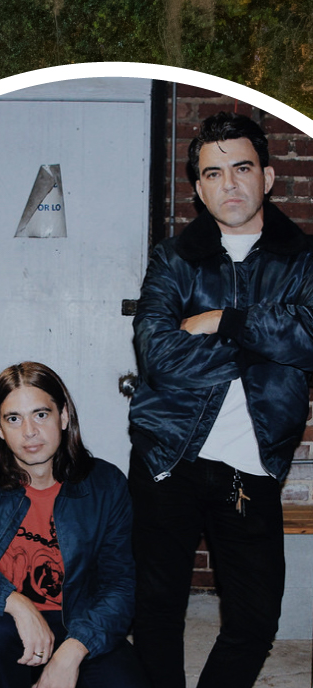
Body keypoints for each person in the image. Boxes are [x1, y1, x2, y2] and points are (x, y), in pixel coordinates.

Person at [129, 110, 313, 688]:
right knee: (156, 610)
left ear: (268, 176)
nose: (229, 184)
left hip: (250, 467)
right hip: (167, 458)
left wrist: (221, 319)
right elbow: (158, 354)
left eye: (241, 168)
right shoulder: (173, 259)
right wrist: (269, 339)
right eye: (213, 173)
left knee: (256, 621)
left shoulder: (304, 259)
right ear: (198, 187)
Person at [0, 362, 146, 688]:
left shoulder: (105, 485)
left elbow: (120, 586)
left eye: (41, 414)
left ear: (63, 416)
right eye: (13, 419)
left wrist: (73, 651)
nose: (29, 432)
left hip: (77, 621)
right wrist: (14, 601)